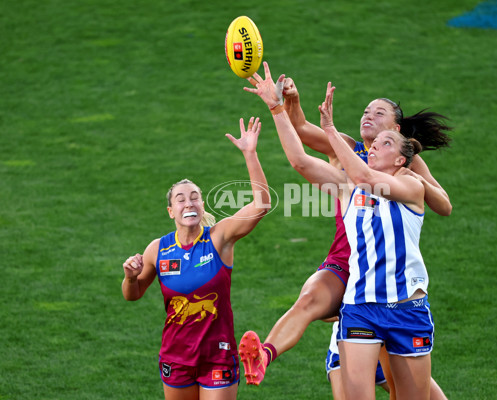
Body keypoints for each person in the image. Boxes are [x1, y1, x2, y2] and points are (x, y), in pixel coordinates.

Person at [239, 63, 450, 399]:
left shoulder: (410, 180)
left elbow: (374, 179)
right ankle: (264, 354)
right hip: (359, 298)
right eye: (366, 112)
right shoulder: (348, 179)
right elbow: (301, 159)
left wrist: (331, 131)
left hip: (405, 307)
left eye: (384, 134)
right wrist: (279, 106)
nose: (369, 122)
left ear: (401, 153)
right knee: (309, 302)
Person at [121, 117, 270, 400]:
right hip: (175, 358)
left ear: (202, 205)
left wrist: (250, 154)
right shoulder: (158, 249)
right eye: (180, 199)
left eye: (195, 197)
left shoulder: (219, 238)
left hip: (218, 356)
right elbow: (133, 294)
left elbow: (262, 205)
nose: (188, 202)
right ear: (170, 211)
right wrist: (130, 277)